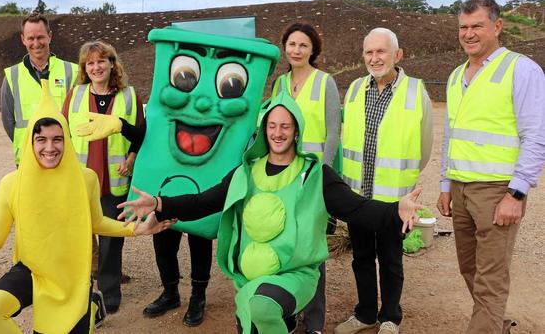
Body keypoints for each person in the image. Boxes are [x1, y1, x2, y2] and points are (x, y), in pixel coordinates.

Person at [119, 91, 424, 334]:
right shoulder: (246, 172)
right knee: (249, 318)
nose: (278, 132)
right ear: (264, 129)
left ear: (296, 131)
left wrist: (397, 210)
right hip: (250, 278)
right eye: (272, 125)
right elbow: (205, 202)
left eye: (285, 126)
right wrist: (160, 203)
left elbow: (358, 210)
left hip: (295, 275)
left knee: (262, 307)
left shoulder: (316, 174)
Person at [0, 81, 169, 334]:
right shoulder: (12, 184)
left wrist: (138, 229)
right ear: (31, 142)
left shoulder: (86, 177)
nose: (50, 147)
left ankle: (89, 305)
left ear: (66, 139)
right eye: (41, 139)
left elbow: (97, 222)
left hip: (72, 277)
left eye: (57, 139)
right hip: (32, 270)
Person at [436, 0, 545, 334]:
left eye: (477, 26)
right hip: (461, 188)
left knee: (490, 277)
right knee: (470, 269)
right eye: (463, 27)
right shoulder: (456, 77)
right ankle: (498, 324)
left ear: (497, 27)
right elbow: (451, 135)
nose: (468, 34)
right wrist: (445, 185)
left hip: (497, 191)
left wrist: (516, 192)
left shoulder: (520, 69)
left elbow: (537, 135)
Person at [335, 28, 433, 334]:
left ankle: (390, 317)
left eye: (381, 52)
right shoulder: (353, 89)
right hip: (358, 197)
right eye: (369, 52)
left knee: (391, 260)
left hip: (394, 200)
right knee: (362, 258)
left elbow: (425, 147)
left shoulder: (416, 92)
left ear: (397, 55)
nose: (374, 58)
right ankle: (365, 314)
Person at [269, 22, 342, 334]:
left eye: (303, 45)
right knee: (284, 246)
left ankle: (313, 322)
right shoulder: (279, 84)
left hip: (312, 178)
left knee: (311, 251)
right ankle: (287, 313)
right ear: (285, 47)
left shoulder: (325, 82)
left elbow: (333, 132)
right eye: (292, 44)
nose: (296, 50)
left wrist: (321, 176)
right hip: (283, 178)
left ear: (314, 50)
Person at [63, 40, 145, 315]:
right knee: (79, 239)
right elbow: (62, 133)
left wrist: (132, 157)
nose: (96, 67)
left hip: (114, 181)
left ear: (112, 63)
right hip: (80, 180)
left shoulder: (130, 96)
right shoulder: (75, 95)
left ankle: (110, 292)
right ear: (85, 68)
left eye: (101, 61)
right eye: (90, 63)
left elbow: (141, 134)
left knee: (111, 240)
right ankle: (81, 290)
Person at [1, 13, 79, 165]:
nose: (36, 43)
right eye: (31, 38)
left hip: (64, 157)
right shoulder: (12, 76)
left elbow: (78, 117)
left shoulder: (72, 72)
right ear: (23, 40)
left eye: (40, 37)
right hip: (27, 157)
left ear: (49, 36)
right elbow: (8, 121)